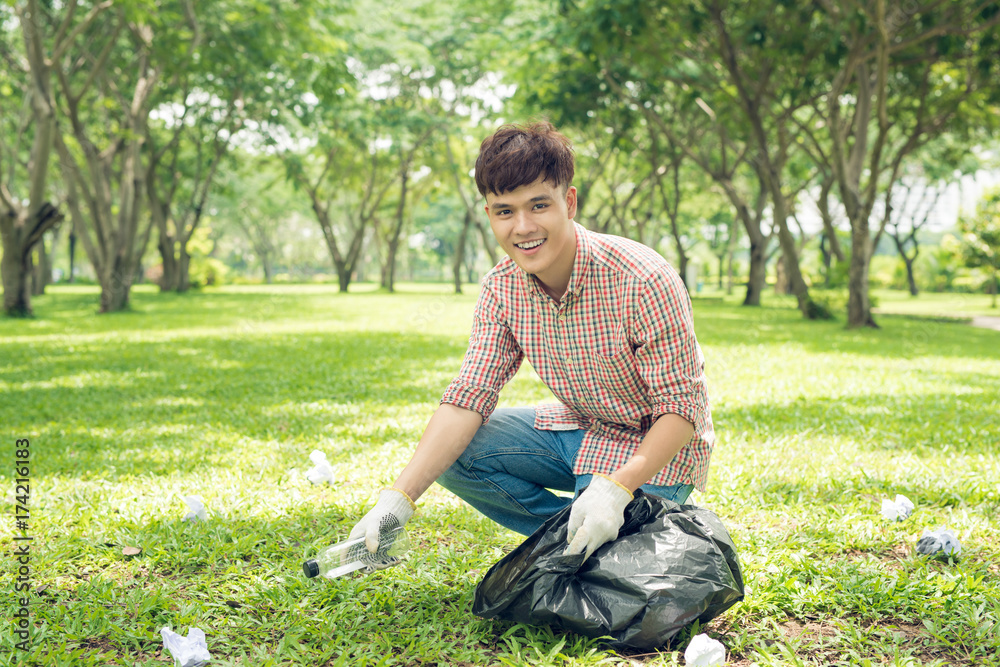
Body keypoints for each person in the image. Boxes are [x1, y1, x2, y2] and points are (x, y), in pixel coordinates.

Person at [349, 121, 714, 562]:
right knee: (458, 452)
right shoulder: (501, 288)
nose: (522, 227)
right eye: (505, 211)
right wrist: (397, 501)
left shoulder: (643, 278)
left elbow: (682, 409)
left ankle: (609, 536)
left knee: (600, 574)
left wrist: (617, 488)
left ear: (570, 202)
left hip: (654, 444)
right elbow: (469, 395)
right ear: (489, 215)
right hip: (580, 426)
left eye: (538, 205)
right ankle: (571, 539)